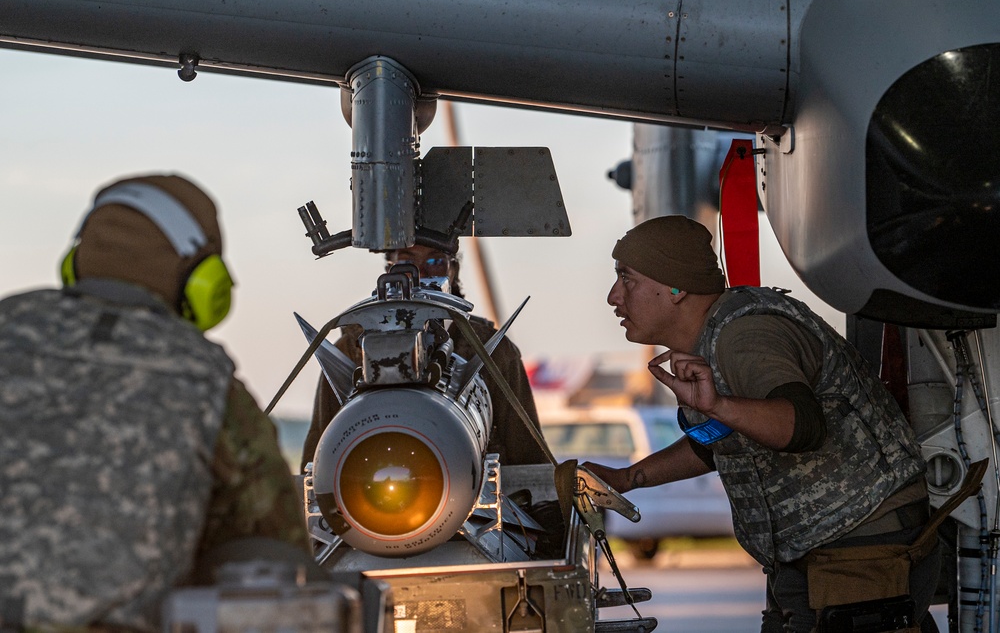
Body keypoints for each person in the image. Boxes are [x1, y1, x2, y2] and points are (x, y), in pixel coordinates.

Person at [584, 215, 936, 632]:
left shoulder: (743, 335)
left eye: (627, 279)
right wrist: (627, 478)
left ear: (676, 288)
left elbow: (802, 425)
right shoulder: (710, 341)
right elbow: (716, 443)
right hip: (821, 550)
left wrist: (718, 405)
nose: (613, 296)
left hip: (860, 546)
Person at [0, 174, 310, 631]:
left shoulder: (8, 330)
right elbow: (275, 548)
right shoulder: (203, 378)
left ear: (75, 262)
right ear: (202, 284)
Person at [301, 242, 547, 472]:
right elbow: (318, 458)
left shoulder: (494, 351)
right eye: (406, 262)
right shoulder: (350, 352)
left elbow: (529, 460)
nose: (420, 274)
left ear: (454, 270)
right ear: (389, 271)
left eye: (435, 262)